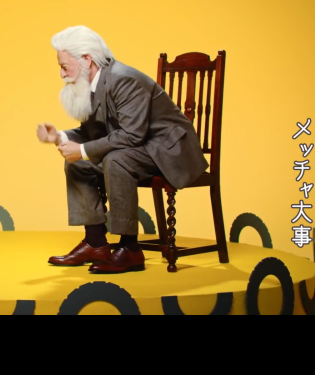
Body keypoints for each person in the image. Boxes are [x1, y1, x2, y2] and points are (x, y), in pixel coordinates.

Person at [36, 25, 208, 274]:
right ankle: (95, 243)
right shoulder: (91, 84)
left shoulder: (123, 79)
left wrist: (82, 150)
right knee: (80, 162)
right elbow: (93, 133)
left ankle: (130, 249)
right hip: (140, 147)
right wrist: (59, 137)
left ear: (86, 59)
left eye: (64, 66)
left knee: (116, 160)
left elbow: (132, 135)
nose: (62, 74)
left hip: (168, 150)